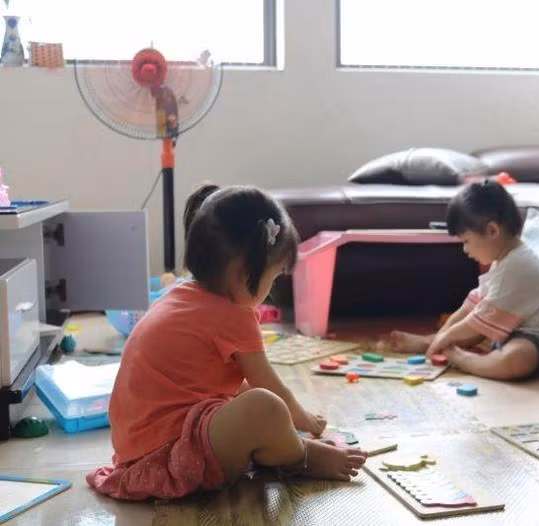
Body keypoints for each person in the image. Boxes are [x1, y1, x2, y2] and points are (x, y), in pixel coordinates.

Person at [87, 184, 367, 501]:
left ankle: (274, 446)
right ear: (242, 273)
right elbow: (271, 386)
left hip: (141, 449)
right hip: (173, 455)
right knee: (266, 406)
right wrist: (303, 422)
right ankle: (302, 457)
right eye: (273, 278)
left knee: (242, 393)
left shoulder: (181, 294)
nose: (271, 290)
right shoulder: (233, 315)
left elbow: (223, 386)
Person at [387, 180, 539, 380]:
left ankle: (460, 357)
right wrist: (442, 336)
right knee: (473, 327)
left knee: (515, 358)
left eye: (466, 241)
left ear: (492, 231)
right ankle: (431, 342)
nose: (465, 250)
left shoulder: (519, 267)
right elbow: (472, 306)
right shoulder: (502, 260)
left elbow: (477, 321)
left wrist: (447, 338)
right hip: (507, 331)